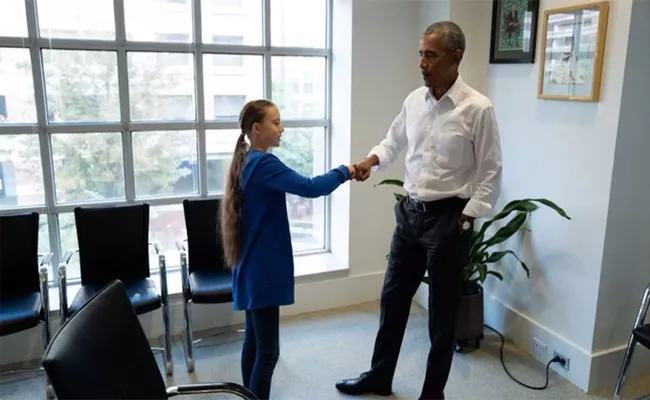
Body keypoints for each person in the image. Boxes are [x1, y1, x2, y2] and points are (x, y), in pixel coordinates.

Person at [335, 21, 502, 400]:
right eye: (420, 53)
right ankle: (380, 377)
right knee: (392, 301)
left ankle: (432, 395)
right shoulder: (414, 100)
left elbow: (491, 172)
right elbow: (393, 142)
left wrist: (466, 217)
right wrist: (371, 160)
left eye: (431, 55)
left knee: (441, 318)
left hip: (450, 220)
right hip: (409, 215)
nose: (422, 63)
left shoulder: (478, 109)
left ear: (456, 58)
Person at [220, 99, 356, 399]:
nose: (282, 128)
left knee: (253, 344)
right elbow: (310, 187)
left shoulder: (246, 161)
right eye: (276, 122)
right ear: (257, 129)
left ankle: (248, 397)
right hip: (263, 271)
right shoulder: (264, 163)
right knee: (268, 353)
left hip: (252, 268)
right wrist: (345, 171)